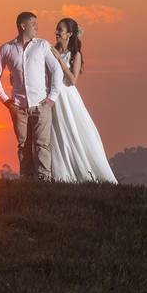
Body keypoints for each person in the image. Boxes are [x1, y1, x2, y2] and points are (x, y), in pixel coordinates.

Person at [0, 11, 64, 181]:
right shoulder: (7, 49)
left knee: (42, 145)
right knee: (23, 146)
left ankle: (44, 180)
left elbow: (56, 70)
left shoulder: (42, 46)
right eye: (33, 24)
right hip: (18, 107)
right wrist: (6, 101)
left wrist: (51, 98)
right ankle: (27, 181)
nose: (37, 27)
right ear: (23, 26)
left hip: (41, 106)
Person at [48, 18, 118, 183]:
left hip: (68, 98)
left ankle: (87, 172)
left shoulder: (75, 54)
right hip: (54, 97)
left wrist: (59, 59)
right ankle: (60, 173)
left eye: (61, 30)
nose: (57, 32)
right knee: (57, 134)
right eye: (57, 29)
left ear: (69, 34)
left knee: (74, 131)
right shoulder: (51, 50)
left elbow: (73, 80)